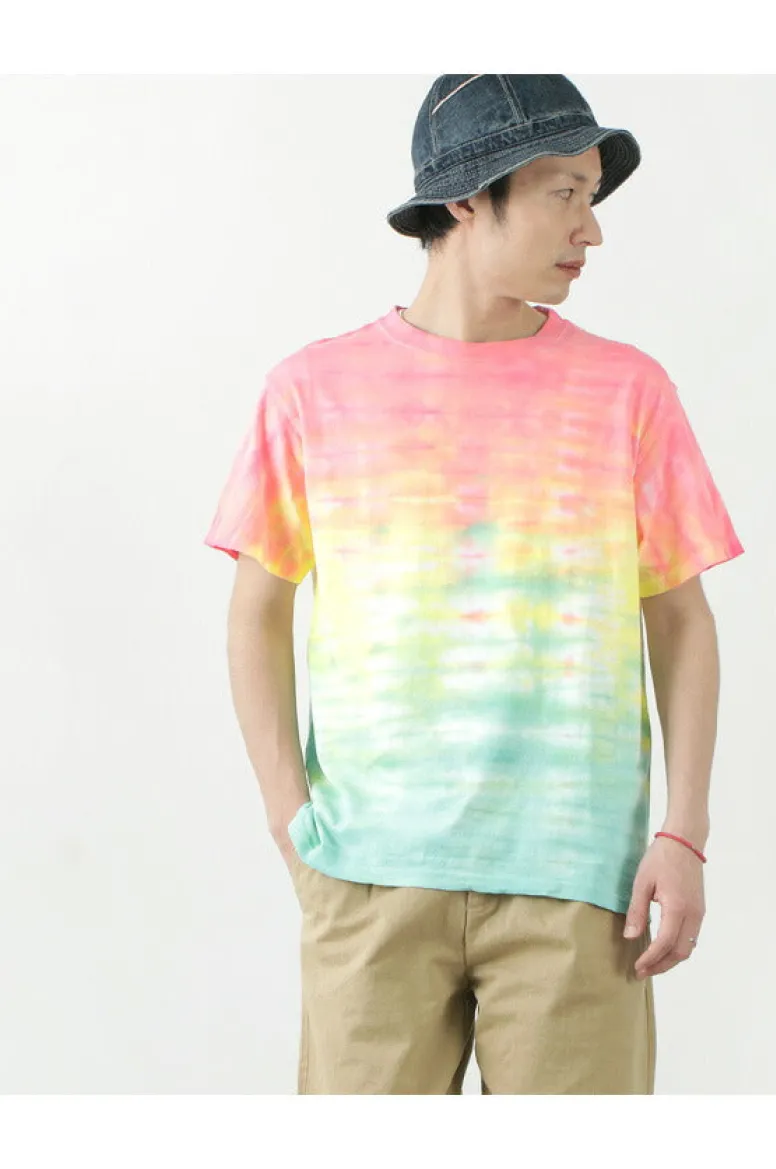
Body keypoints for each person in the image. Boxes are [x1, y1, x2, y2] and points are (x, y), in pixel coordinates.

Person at [203, 74, 745, 1094]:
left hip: (580, 882)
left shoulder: (628, 391)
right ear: (464, 196)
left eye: (593, 196)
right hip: (369, 873)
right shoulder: (312, 390)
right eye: (564, 193)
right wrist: (291, 822)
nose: (591, 230)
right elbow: (256, 609)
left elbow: (680, 622)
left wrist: (685, 831)